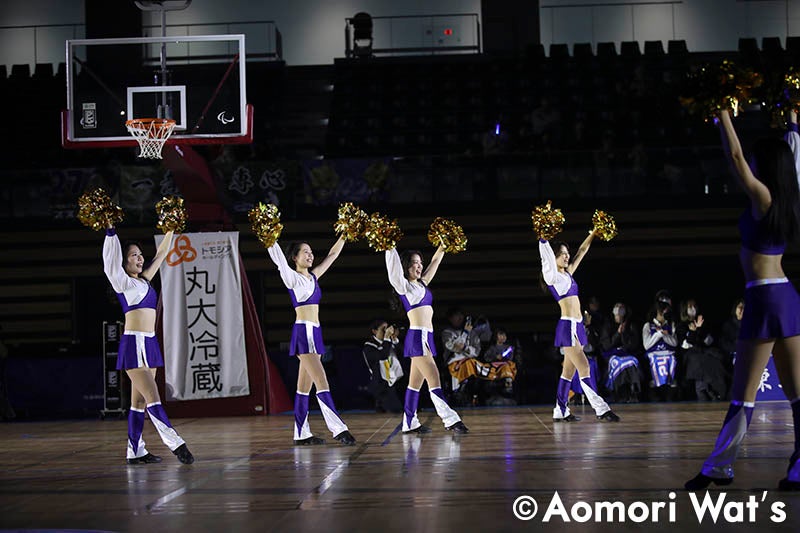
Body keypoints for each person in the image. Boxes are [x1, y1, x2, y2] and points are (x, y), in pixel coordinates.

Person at [685, 108, 800, 490]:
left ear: (766, 165)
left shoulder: (765, 197)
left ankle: (719, 468)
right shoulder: (785, 196)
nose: (749, 161)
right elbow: (791, 156)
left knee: (743, 395)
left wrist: (721, 114)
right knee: (797, 396)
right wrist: (793, 125)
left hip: (765, 299)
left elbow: (735, 159)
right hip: (786, 297)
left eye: (757, 159)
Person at [102, 224, 194, 465]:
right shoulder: (122, 282)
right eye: (133, 255)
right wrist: (110, 232)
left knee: (139, 403)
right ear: (124, 261)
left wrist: (171, 229)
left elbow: (162, 254)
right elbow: (110, 261)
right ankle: (176, 443)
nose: (140, 258)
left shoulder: (143, 281)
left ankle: (135, 450)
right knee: (153, 398)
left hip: (150, 344)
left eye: (140, 254)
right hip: (134, 345)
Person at [268, 238, 356, 446]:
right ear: (294, 258)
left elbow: (332, 256)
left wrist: (343, 235)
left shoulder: (313, 277)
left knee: (303, 388)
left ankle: (301, 432)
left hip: (315, 333)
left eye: (311, 252)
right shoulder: (292, 278)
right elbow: (279, 260)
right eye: (305, 252)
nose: (310, 255)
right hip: (303, 332)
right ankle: (338, 429)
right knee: (321, 380)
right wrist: (270, 239)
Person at [386, 246, 469, 434]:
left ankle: (409, 422)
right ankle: (450, 419)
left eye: (420, 263)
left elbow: (435, 262)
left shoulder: (422, 284)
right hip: (417, 338)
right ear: (406, 267)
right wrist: (389, 248)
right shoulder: (404, 286)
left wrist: (442, 246)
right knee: (434, 378)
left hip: (426, 337)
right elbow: (393, 270)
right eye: (414, 263)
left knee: (414, 384)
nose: (419, 266)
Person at [539, 232, 620, 422]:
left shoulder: (568, 274)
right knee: (584, 367)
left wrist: (593, 233)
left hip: (578, 326)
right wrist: (543, 239)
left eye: (567, 253)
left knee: (568, 372)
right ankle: (601, 408)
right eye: (562, 254)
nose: (567, 256)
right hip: (568, 327)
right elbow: (546, 258)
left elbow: (582, 250)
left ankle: (560, 410)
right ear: (554, 257)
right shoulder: (553, 277)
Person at [677, 298, 727, 401]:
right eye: (690, 307)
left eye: (694, 306)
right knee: (700, 361)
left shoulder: (701, 322)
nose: (693, 309)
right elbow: (685, 345)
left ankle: (716, 390)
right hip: (689, 355)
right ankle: (702, 391)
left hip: (703, 351)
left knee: (715, 359)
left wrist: (700, 329)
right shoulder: (681, 326)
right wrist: (692, 331)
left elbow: (708, 341)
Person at [603, 302, 643, 403]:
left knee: (631, 362)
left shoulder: (631, 325)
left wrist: (624, 333)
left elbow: (633, 344)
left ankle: (633, 391)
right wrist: (618, 333)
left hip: (627, 353)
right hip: (613, 354)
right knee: (618, 363)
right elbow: (607, 345)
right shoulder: (608, 325)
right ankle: (620, 392)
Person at [362, 319, 403, 413]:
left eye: (387, 329)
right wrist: (387, 338)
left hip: (398, 382)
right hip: (382, 385)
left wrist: (395, 339)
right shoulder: (369, 346)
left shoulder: (390, 342)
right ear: (374, 331)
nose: (386, 332)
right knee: (396, 410)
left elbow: (405, 354)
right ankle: (380, 404)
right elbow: (382, 355)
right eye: (383, 329)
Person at [643, 296, 678, 401]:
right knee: (654, 363)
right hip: (654, 354)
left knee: (672, 360)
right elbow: (647, 345)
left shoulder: (671, 325)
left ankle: (670, 392)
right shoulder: (648, 326)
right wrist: (658, 334)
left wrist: (665, 335)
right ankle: (655, 392)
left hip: (668, 353)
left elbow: (675, 343)